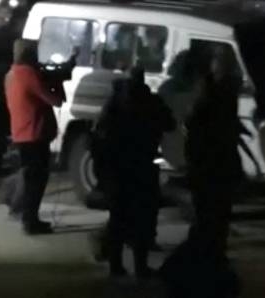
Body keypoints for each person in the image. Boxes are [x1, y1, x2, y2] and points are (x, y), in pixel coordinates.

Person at [161, 46, 244, 297]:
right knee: (211, 222)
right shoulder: (206, 95)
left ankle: (198, 265)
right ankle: (193, 267)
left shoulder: (209, 95)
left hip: (209, 168)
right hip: (211, 169)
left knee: (211, 222)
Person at [94, 67, 176, 278]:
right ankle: (140, 267)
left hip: (118, 166)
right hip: (143, 165)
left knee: (118, 218)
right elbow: (170, 124)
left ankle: (116, 266)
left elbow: (100, 129)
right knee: (142, 218)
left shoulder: (115, 101)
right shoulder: (151, 101)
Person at [4, 39, 62, 235]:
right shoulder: (27, 74)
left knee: (30, 177)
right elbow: (54, 100)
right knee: (36, 180)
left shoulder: (11, 73)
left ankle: (25, 214)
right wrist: (56, 82)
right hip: (34, 134)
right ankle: (30, 221)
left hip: (22, 133)